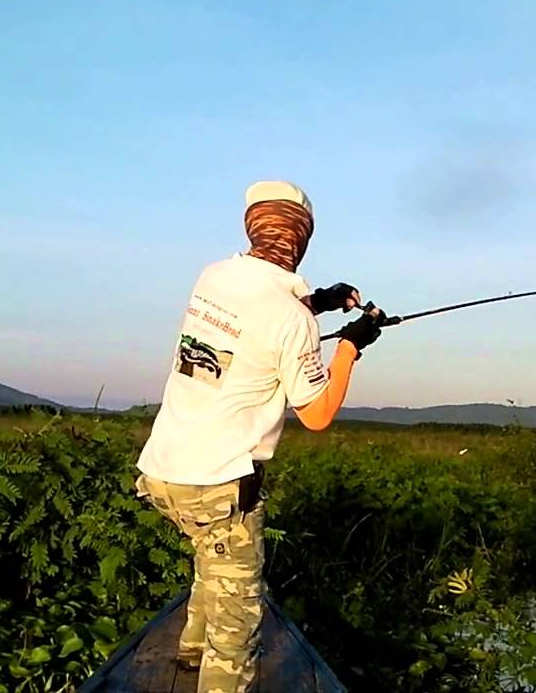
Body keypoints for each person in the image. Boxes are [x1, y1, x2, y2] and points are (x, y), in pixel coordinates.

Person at [134, 180, 385, 693]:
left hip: (163, 472)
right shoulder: (291, 320)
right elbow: (316, 413)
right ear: (303, 239)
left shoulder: (216, 276)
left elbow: (257, 321)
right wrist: (351, 348)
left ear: (252, 226)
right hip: (220, 485)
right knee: (237, 630)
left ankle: (186, 653)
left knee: (212, 556)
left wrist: (317, 300)